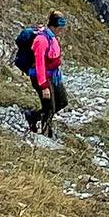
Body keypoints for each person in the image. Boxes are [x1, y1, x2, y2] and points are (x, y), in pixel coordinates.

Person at [22, 10, 68, 138]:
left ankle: (32, 116)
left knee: (62, 101)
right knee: (49, 107)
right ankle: (46, 134)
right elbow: (39, 64)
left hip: (53, 76)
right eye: (60, 27)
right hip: (41, 78)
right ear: (53, 25)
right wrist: (44, 87)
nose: (62, 30)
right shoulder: (41, 40)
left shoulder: (52, 36)